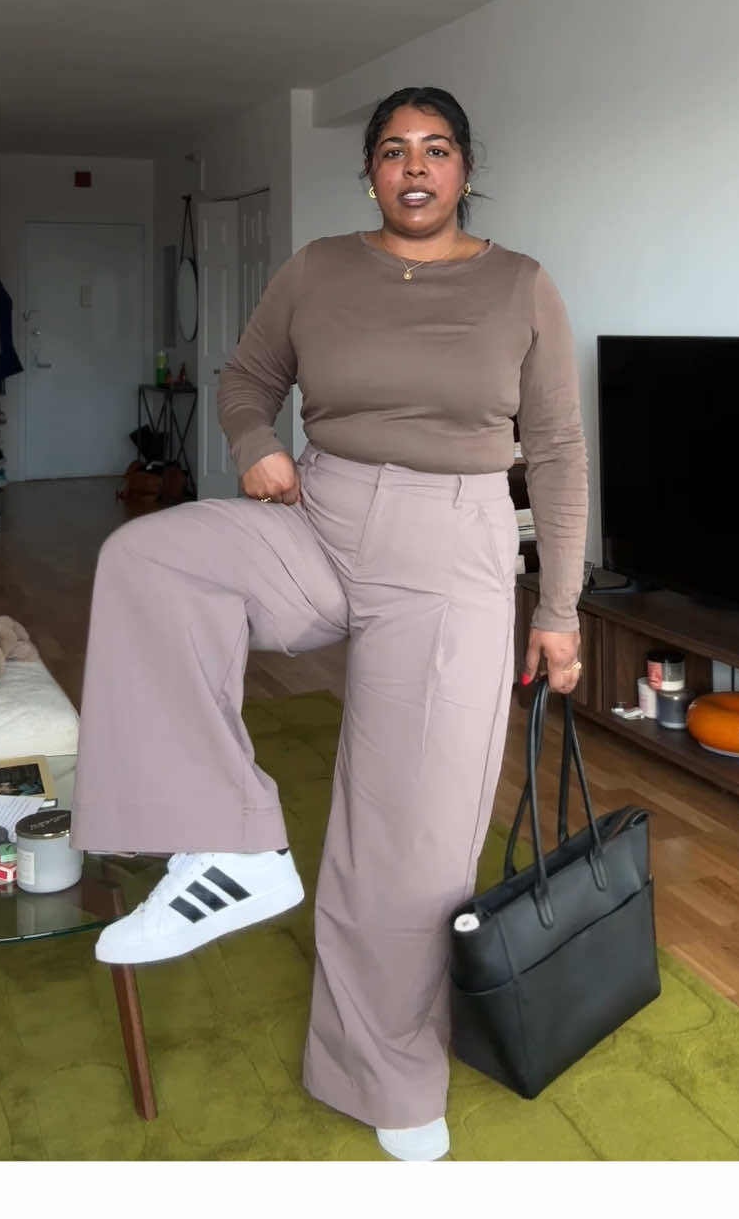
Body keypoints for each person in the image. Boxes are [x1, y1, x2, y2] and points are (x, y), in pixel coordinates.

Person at [71, 85, 588, 1161]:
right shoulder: (316, 269)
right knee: (150, 561)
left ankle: (386, 1074)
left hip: (451, 550)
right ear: (370, 172)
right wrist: (256, 443)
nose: (415, 166)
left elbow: (555, 453)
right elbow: (247, 377)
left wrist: (558, 609)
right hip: (319, 515)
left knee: (406, 835)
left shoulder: (520, 285)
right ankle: (231, 844)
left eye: (435, 149)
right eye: (394, 149)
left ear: (464, 168)